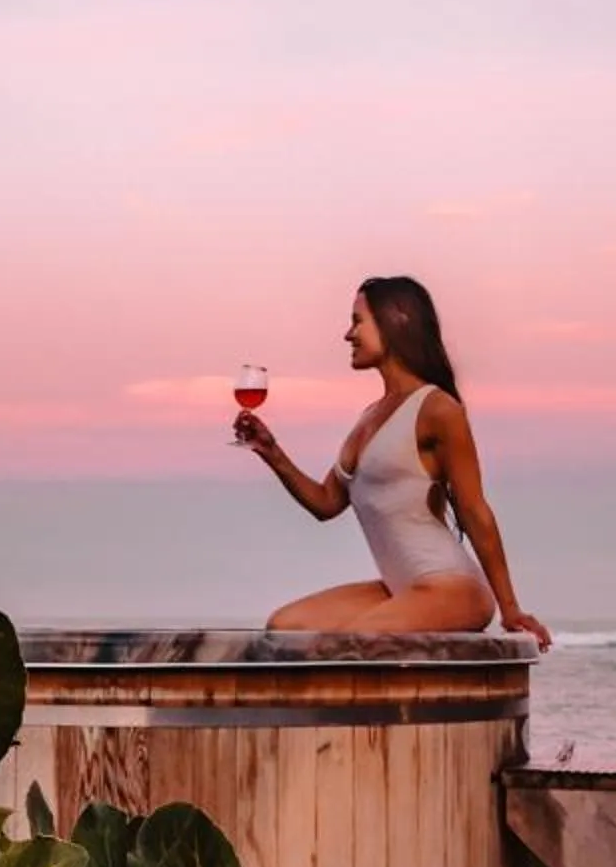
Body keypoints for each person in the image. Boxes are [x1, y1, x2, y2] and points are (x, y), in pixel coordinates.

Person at [234, 276, 551, 646]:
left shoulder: (437, 409)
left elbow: (474, 510)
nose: (347, 335)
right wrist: (271, 452)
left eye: (357, 321)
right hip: (399, 589)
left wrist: (510, 609)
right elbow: (326, 503)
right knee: (284, 628)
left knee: (353, 641)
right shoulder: (369, 416)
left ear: (397, 319)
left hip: (452, 587)